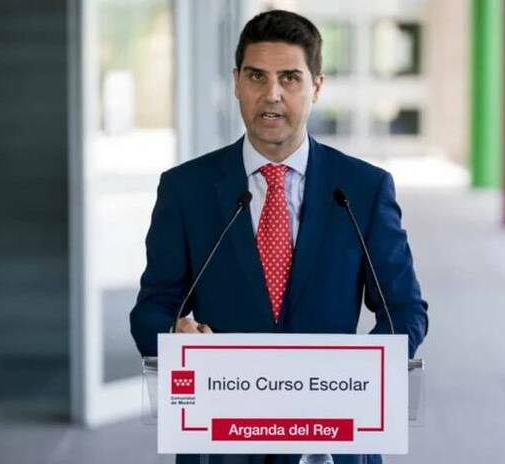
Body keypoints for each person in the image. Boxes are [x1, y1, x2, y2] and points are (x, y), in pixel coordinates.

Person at [130, 9, 429, 464]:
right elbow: (151, 309)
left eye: (289, 78)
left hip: (331, 438)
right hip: (222, 437)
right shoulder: (186, 189)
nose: (271, 94)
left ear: (317, 86)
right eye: (257, 77)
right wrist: (175, 335)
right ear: (236, 82)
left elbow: (405, 311)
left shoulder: (363, 189)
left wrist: (355, 375)